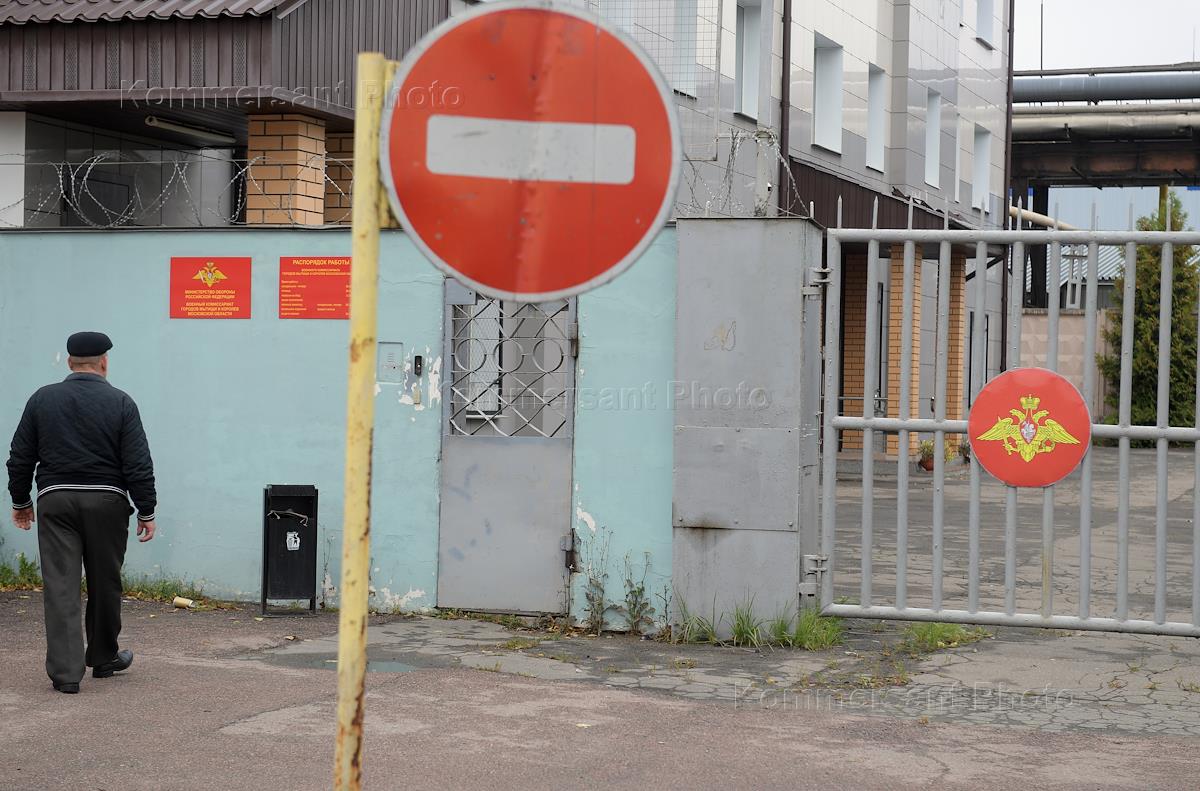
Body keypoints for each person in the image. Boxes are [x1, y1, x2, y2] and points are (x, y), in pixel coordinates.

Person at [7, 332, 157, 694]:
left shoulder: (42, 399)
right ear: (104, 362)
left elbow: (20, 456)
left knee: (61, 584)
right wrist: (146, 510)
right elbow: (137, 463)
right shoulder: (121, 402)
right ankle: (104, 658)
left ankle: (66, 674)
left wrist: (21, 502)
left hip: (56, 500)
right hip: (107, 502)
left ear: (69, 362)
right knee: (105, 581)